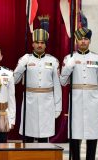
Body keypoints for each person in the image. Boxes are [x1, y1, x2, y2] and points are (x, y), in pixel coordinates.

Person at [60, 25, 98, 160]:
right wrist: (68, 67)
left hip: (93, 101)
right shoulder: (68, 58)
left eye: (86, 39)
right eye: (80, 39)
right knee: (75, 134)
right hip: (76, 101)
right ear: (76, 41)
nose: (83, 41)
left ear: (90, 41)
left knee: (92, 135)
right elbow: (63, 82)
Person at [14, 15, 62, 143]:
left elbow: (57, 86)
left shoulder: (53, 61)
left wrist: (58, 107)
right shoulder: (25, 59)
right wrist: (21, 67)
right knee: (28, 134)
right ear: (32, 44)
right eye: (37, 43)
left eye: (42, 43)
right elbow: (14, 81)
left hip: (47, 102)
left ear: (45, 45)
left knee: (44, 136)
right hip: (30, 101)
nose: (39, 45)